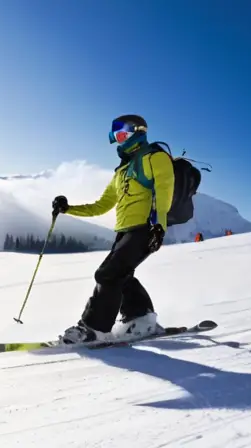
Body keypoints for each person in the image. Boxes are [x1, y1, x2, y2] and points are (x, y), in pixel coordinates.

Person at [51, 114, 174, 344]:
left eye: (121, 134)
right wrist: (68, 209)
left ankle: (93, 329)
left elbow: (164, 192)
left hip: (145, 228)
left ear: (137, 132)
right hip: (124, 232)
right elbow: (101, 206)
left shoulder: (154, 157)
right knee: (121, 276)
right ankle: (141, 319)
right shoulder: (121, 172)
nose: (118, 140)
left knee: (106, 274)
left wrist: (159, 227)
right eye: (115, 137)